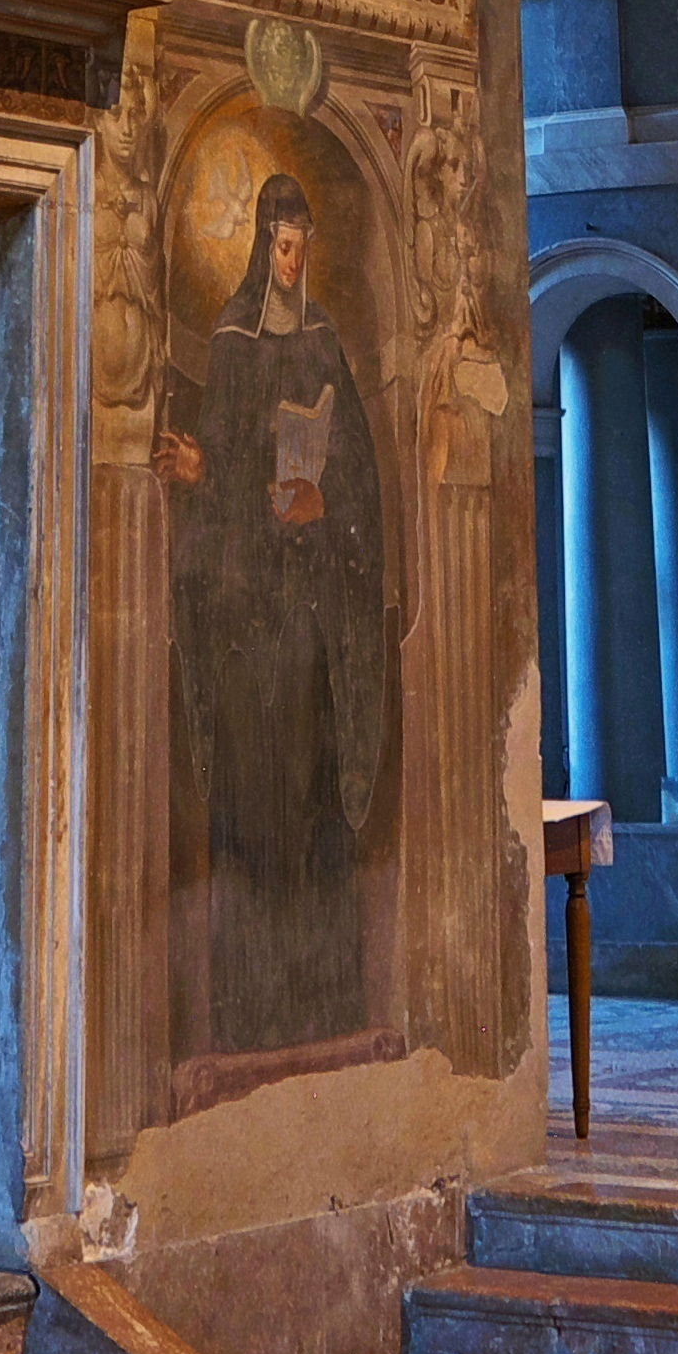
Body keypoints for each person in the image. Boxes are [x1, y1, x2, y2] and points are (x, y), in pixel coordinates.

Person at [157, 172, 389, 1054]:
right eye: (278, 244)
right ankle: (253, 1015)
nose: (290, 262)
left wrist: (325, 505)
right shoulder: (231, 341)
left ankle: (322, 1006)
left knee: (315, 805)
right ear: (260, 246)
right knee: (258, 809)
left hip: (316, 616)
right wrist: (203, 471)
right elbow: (221, 465)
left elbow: (362, 471)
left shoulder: (325, 340)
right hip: (252, 622)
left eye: (301, 244)